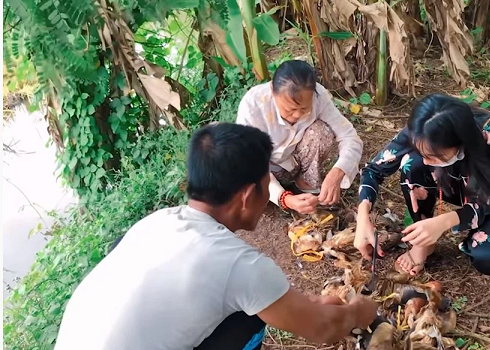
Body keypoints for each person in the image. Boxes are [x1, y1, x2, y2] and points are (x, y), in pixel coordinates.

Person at [54, 123, 378, 350]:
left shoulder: (156, 222)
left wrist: (303, 305)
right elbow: (322, 329)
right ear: (248, 195)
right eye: (268, 185)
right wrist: (359, 313)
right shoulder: (241, 265)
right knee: (248, 320)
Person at [353, 94, 490, 277]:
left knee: (488, 259)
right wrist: (363, 215)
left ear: (459, 142)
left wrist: (446, 221)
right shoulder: (421, 130)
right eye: (422, 152)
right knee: (412, 163)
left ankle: (471, 231)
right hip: (454, 181)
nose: (426, 161)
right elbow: (373, 170)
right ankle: (423, 241)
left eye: (434, 155)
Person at [236, 60, 363, 215]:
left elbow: (350, 137)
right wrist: (284, 198)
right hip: (264, 169)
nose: (297, 115)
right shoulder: (253, 106)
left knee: (320, 132)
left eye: (304, 108)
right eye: (290, 109)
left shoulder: (319, 96)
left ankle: (305, 185)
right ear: (272, 90)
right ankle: (278, 195)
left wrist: (338, 172)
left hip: (295, 163)